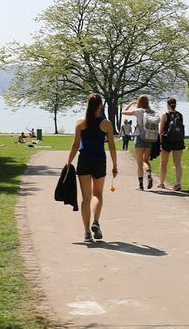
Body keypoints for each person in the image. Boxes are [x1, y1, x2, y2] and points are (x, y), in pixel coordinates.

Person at [66, 92, 118, 243]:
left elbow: (75, 145)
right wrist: (115, 165)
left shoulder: (80, 123)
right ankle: (96, 221)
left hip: (84, 160)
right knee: (98, 195)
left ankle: (87, 232)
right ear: (101, 106)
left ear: (87, 104)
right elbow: (112, 147)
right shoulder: (106, 124)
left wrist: (68, 162)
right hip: (99, 161)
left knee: (85, 198)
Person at [123, 94, 160, 190]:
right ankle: (148, 174)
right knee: (146, 160)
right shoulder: (153, 112)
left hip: (139, 137)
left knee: (139, 163)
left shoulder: (138, 111)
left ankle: (140, 185)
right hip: (150, 138)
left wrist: (131, 103)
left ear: (139, 102)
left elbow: (124, 112)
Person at [157, 97, 186, 191]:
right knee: (177, 163)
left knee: (163, 163)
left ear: (167, 104)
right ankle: (178, 183)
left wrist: (160, 143)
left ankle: (161, 183)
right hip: (178, 140)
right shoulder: (180, 115)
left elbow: (161, 131)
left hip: (167, 140)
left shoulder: (165, 115)